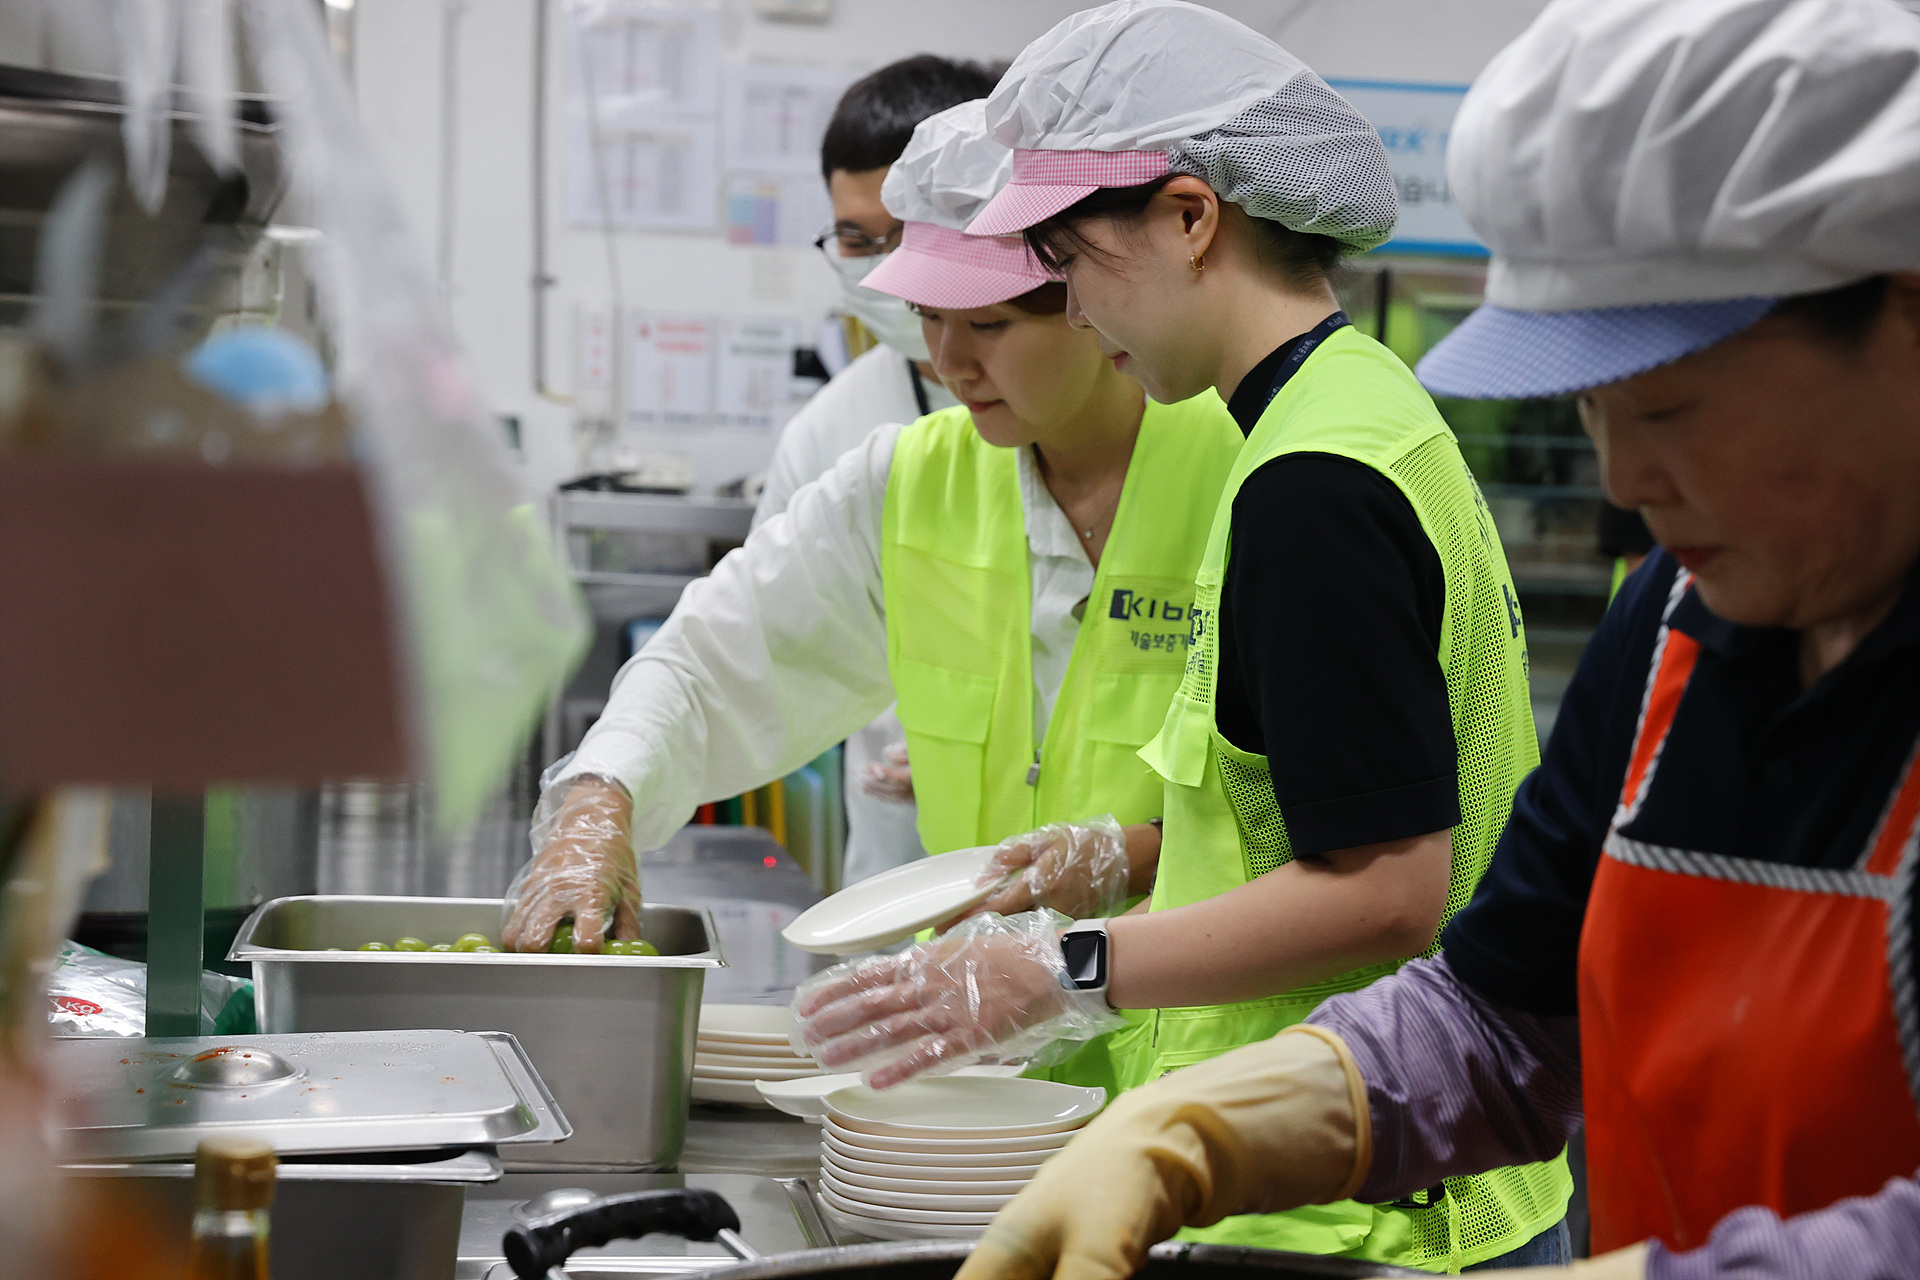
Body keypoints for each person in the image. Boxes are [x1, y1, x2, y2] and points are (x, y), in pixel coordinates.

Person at [944, 1, 1920, 1278]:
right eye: (1591, 407)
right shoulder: (1670, 628)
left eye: (1674, 406)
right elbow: (1505, 1017)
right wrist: (1208, 1128)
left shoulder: (1322, 472)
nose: (1625, 482)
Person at [793, 3, 1569, 1270]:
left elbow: (1386, 890)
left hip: (1369, 1206)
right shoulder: (1350, 408)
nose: (1068, 305)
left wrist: (1065, 966)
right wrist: (1128, 859)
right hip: (1356, 1174)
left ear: (1192, 217)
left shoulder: (1312, 483)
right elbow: (1315, 806)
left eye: (1066, 257)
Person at [501, 102, 1244, 973]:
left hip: (1210, 1033)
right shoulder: (908, 484)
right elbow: (711, 663)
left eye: (990, 325)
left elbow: (1334, 822)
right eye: (929, 317)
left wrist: (1135, 861)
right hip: (984, 1025)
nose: (950, 362)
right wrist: (601, 796)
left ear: (1090, 302)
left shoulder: (1246, 471)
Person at [754, 55, 996, 886]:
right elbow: (768, 646)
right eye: (856, 240)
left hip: (1104, 903)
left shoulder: (1122, 396)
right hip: (896, 882)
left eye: (904, 234)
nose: (884, 267)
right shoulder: (828, 432)